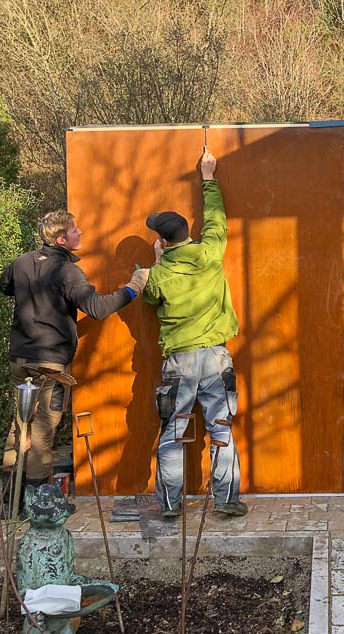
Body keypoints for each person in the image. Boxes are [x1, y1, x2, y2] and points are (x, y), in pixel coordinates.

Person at [0, 210, 149, 509]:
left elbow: (4, 287)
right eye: (75, 230)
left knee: (20, 424)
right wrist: (134, 287)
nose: (80, 232)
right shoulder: (66, 271)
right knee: (42, 429)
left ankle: (9, 502)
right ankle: (38, 504)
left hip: (20, 359)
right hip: (49, 366)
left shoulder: (20, 263)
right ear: (61, 239)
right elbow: (96, 307)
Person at [143, 149, 245, 518]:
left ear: (164, 241)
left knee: (173, 432)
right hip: (216, 358)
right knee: (221, 429)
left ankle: (171, 504)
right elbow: (217, 221)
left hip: (180, 364)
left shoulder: (160, 274)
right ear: (188, 234)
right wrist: (209, 177)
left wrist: (157, 262)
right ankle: (228, 500)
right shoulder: (210, 253)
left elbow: (151, 302)